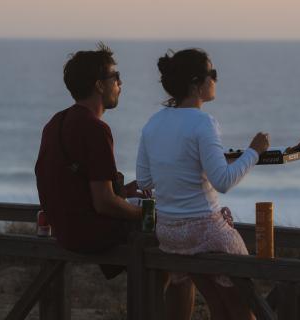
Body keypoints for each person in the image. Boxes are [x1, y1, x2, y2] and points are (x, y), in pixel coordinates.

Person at [136, 48, 270, 320]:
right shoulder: (203, 122)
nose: (216, 80)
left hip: (170, 233)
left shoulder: (153, 124)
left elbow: (144, 180)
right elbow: (222, 181)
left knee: (218, 304)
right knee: (245, 304)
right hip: (205, 231)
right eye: (213, 74)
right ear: (197, 83)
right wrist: (253, 152)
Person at [35, 43, 143, 278]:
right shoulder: (95, 129)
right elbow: (103, 203)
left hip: (62, 230)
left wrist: (123, 192)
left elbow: (74, 186)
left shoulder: (56, 122)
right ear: (99, 85)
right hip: (87, 234)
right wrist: (142, 213)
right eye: (116, 77)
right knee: (164, 237)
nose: (120, 84)